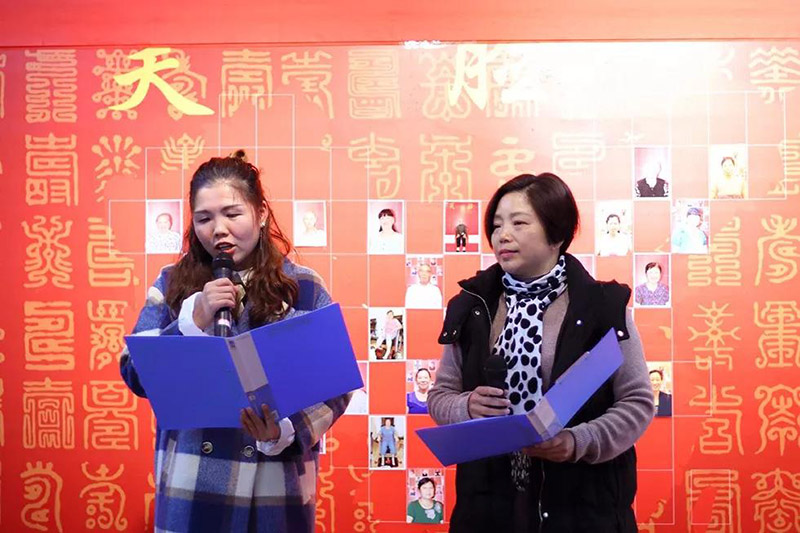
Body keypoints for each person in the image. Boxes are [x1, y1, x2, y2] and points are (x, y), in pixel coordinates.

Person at [119, 151, 350, 533]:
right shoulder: (172, 283)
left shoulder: (303, 285)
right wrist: (192, 320)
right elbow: (135, 371)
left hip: (275, 489)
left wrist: (284, 430)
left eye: (232, 214)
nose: (219, 230)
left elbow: (336, 384)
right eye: (204, 219)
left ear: (261, 213)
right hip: (193, 486)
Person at [428, 172, 654, 532]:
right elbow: (440, 396)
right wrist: (466, 406)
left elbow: (637, 402)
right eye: (497, 225)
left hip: (583, 509)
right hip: (487, 509)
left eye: (519, 223)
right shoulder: (472, 305)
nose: (503, 235)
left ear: (556, 234)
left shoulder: (603, 307)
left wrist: (577, 441)